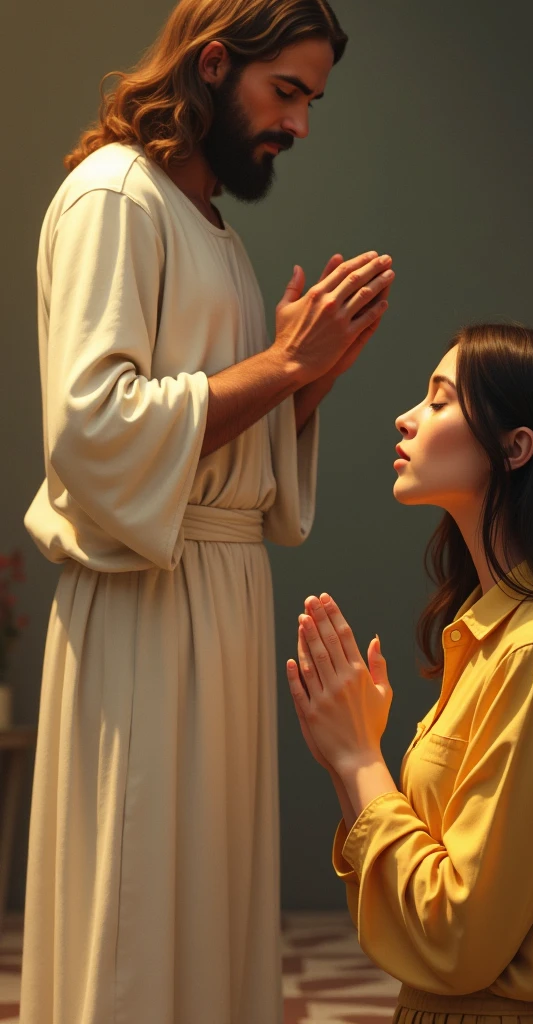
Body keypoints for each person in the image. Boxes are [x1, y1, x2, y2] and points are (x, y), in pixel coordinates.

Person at [21, 1, 395, 1022]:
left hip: (218, 602)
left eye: (313, 102)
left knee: (209, 912)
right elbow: (94, 433)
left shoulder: (212, 231)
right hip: (147, 602)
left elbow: (221, 458)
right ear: (215, 62)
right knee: (138, 922)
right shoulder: (114, 199)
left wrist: (300, 382)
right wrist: (278, 364)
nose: (301, 125)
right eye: (287, 93)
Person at [287, 323, 533, 1024]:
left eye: (440, 401)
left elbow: (456, 938)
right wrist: (348, 757)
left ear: (516, 446)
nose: (407, 417)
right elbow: (415, 920)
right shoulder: (491, 635)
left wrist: (358, 759)